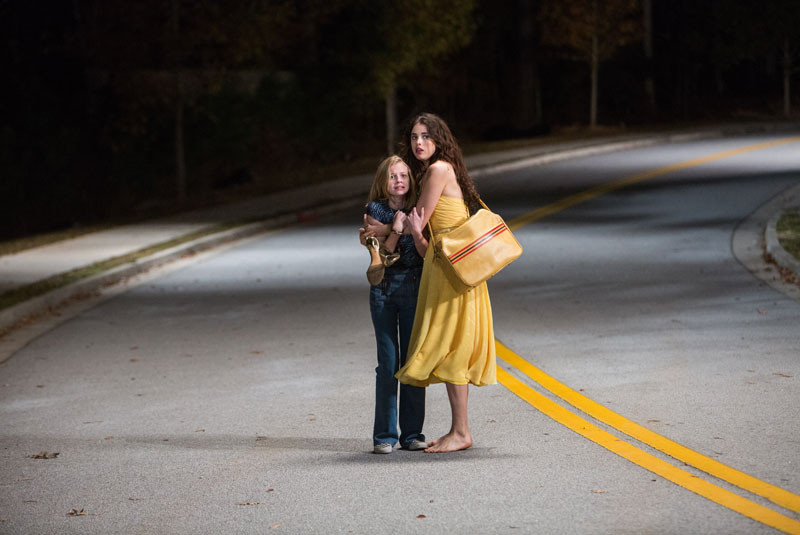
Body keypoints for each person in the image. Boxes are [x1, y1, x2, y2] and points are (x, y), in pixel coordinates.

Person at [364, 113, 496, 453]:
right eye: (413, 137)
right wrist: (402, 230)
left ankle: (460, 432)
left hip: (453, 271)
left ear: (439, 139)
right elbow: (421, 242)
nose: (418, 143)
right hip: (445, 267)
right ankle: (458, 430)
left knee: (453, 348)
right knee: (452, 348)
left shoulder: (437, 170)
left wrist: (383, 229)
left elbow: (415, 220)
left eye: (425, 136)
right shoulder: (437, 171)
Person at [361, 155, 428, 454]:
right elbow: (381, 257)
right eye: (392, 176)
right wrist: (398, 230)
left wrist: (400, 229)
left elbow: (424, 249)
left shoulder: (420, 207)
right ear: (383, 181)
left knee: (412, 362)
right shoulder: (374, 210)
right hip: (384, 289)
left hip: (414, 287)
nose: (399, 181)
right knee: (388, 364)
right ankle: (384, 436)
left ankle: (412, 433)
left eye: (403, 175)